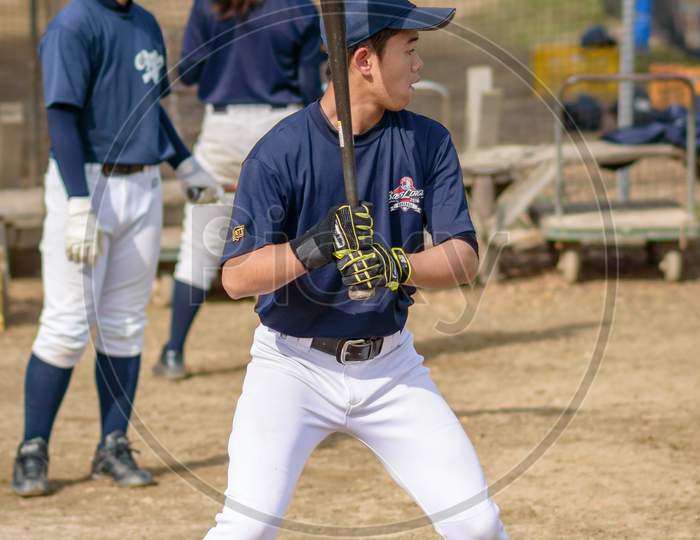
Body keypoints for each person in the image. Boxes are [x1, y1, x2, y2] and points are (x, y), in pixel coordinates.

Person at [203, 0, 510, 538]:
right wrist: (312, 248)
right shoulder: (278, 153)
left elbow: (462, 256)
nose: (419, 65)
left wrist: (396, 265)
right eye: (409, 51)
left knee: (478, 524)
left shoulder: (427, 141)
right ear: (365, 60)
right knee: (246, 528)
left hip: (391, 369)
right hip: (292, 368)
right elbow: (235, 277)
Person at [11, 0, 220, 497]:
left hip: (142, 186)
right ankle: (32, 447)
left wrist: (185, 164)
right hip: (85, 182)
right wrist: (79, 204)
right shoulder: (74, 23)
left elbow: (149, 108)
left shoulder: (145, 21)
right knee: (66, 325)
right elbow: (61, 117)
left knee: (125, 324)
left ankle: (112, 443)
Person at [153, 0, 325, 379]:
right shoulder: (299, 7)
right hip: (282, 125)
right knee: (292, 240)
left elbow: (191, 72)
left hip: (222, 130)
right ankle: (302, 347)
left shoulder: (210, 4)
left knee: (198, 244)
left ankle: (173, 352)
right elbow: (311, 83)